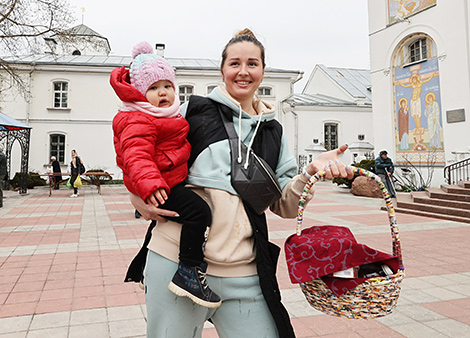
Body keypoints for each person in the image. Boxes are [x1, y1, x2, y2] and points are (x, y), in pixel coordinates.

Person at [129, 29, 354, 338]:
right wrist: (136, 195)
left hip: (243, 271)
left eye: (253, 63)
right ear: (223, 69)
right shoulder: (191, 112)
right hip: (175, 263)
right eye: (235, 63)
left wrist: (309, 173)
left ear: (263, 71)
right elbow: (139, 145)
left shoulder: (273, 132)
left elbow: (285, 206)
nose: (243, 71)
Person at [110, 42, 221, 308]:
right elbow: (136, 156)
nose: (163, 93)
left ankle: (143, 269)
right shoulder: (139, 119)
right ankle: (189, 272)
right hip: (160, 184)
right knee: (200, 214)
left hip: (166, 180)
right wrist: (149, 186)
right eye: (153, 88)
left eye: (167, 86)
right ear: (138, 93)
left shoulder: (162, 115)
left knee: (179, 219)